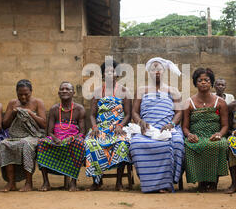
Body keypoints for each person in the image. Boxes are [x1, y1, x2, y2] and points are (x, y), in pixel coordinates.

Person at [129, 57, 184, 193]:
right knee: (136, 144)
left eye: (159, 69)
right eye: (153, 69)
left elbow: (179, 113)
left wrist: (171, 124)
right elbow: (134, 112)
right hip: (147, 129)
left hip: (168, 128)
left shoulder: (173, 90)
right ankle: (150, 183)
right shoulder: (142, 90)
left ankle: (167, 182)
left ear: (164, 71)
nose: (156, 72)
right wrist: (140, 121)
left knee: (176, 143)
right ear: (148, 72)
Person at [84, 60, 132, 191]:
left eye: (113, 71)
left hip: (117, 127)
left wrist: (120, 125)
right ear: (103, 75)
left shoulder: (124, 91)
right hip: (100, 127)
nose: (110, 73)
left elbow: (128, 114)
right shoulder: (98, 91)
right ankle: (96, 181)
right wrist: (94, 127)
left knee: (123, 143)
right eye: (107, 71)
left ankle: (119, 182)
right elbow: (92, 115)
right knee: (90, 143)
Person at [182, 68, 229, 192]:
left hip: (214, 135)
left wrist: (219, 134)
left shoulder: (221, 102)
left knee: (219, 145)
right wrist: (189, 135)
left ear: (211, 83)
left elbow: (225, 125)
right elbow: (185, 126)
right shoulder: (189, 102)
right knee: (192, 146)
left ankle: (214, 182)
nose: (203, 83)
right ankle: (201, 181)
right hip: (196, 135)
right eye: (200, 80)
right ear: (195, 83)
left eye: (206, 80)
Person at [36, 82, 86, 192]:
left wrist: (71, 138)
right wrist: (55, 138)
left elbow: (82, 132)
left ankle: (73, 182)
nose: (64, 91)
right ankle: (46, 182)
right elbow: (49, 132)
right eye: (62, 89)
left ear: (73, 93)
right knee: (41, 143)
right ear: (58, 93)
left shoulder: (79, 109)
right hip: (57, 140)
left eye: (67, 89)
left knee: (80, 143)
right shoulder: (54, 109)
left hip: (72, 140)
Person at [0, 79, 46, 192]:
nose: (23, 97)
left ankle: (28, 183)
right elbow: (4, 125)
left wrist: (30, 113)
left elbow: (44, 124)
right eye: (20, 95)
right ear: (16, 93)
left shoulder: (38, 102)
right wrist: (13, 114)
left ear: (31, 92)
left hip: (33, 136)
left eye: (26, 94)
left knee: (26, 144)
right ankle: (11, 182)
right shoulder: (12, 103)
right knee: (3, 144)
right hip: (15, 136)